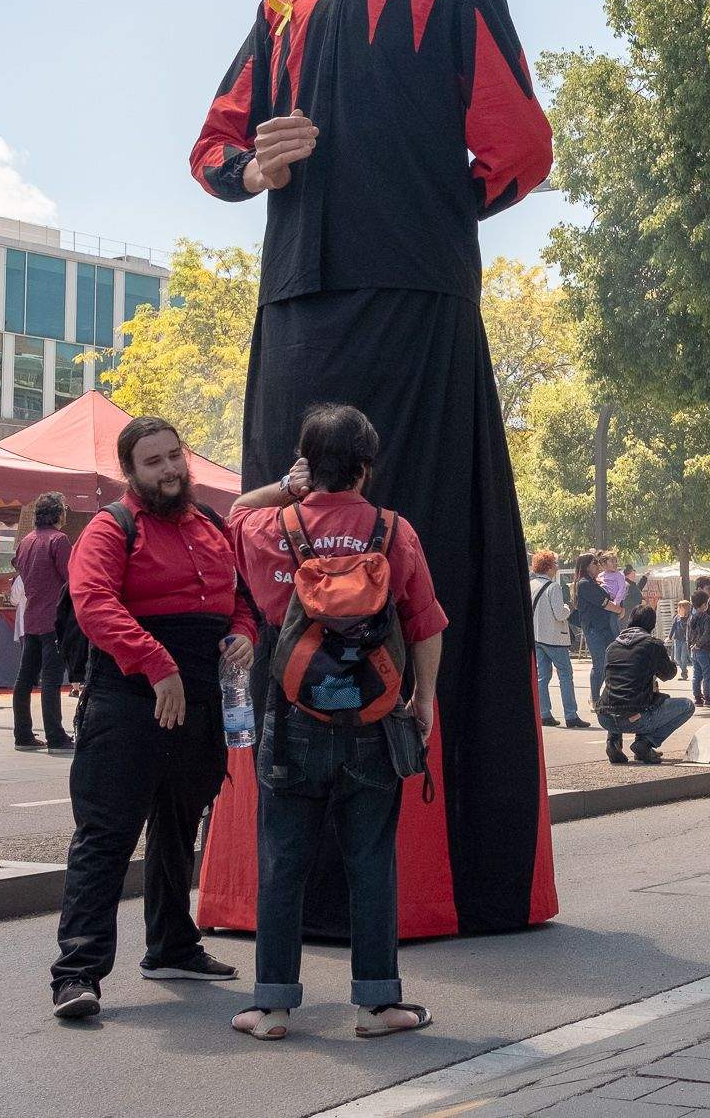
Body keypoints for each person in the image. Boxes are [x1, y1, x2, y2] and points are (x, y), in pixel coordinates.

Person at [190, 0, 555, 941]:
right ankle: (273, 888)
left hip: (417, 311)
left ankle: (438, 884)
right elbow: (209, 154)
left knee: (418, 564)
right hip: (295, 309)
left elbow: (517, 149)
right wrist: (261, 168)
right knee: (279, 562)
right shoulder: (278, 9)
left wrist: (429, 205)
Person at [224, 403, 444, 1041]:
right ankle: (379, 1006)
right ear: (366, 468)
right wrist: (422, 700)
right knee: (371, 859)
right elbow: (426, 624)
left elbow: (236, 508)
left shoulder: (270, 524)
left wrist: (287, 487)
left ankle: (270, 1007)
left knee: (283, 860)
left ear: (307, 464)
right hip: (375, 720)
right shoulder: (394, 532)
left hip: (291, 718)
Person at [50, 416, 258, 1021]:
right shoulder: (110, 528)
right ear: (131, 472)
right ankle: (77, 974)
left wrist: (244, 634)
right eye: (153, 461)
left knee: (179, 825)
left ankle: (171, 945)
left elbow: (240, 600)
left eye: (174, 456)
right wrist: (157, 665)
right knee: (106, 835)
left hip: (200, 703)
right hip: (129, 700)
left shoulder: (214, 526)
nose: (169, 469)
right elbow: (94, 605)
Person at [12, 491, 74, 750]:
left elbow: (19, 567)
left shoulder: (26, 541)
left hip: (32, 617)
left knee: (25, 678)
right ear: (58, 513)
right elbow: (72, 577)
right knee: (51, 679)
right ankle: (55, 735)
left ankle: (23, 733)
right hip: (54, 619)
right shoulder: (59, 540)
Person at [598, 604, 693, 765]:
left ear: (630, 621)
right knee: (687, 705)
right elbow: (668, 674)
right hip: (635, 717)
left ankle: (613, 742)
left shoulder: (612, 646)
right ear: (652, 624)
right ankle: (645, 743)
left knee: (619, 692)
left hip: (605, 716)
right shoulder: (652, 645)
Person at [529, 551, 588, 729]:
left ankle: (544, 713)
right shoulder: (553, 587)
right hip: (554, 637)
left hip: (537, 636)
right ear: (548, 566)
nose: (557, 566)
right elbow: (560, 614)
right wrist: (568, 607)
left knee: (542, 677)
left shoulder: (531, 584)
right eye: (555, 563)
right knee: (565, 676)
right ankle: (571, 715)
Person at [575, 552, 623, 705]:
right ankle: (595, 698)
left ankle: (605, 696)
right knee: (600, 663)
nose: (598, 566)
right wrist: (619, 610)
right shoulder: (584, 583)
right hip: (593, 629)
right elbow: (604, 602)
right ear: (587, 566)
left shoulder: (595, 582)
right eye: (595, 563)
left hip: (604, 627)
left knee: (611, 662)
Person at [683, 590, 710, 708]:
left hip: (693, 651)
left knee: (696, 675)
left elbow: (687, 635)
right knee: (707, 675)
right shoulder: (707, 618)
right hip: (704, 650)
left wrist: (690, 646)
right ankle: (708, 698)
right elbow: (708, 633)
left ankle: (698, 698)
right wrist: (700, 644)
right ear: (705, 604)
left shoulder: (691, 618)